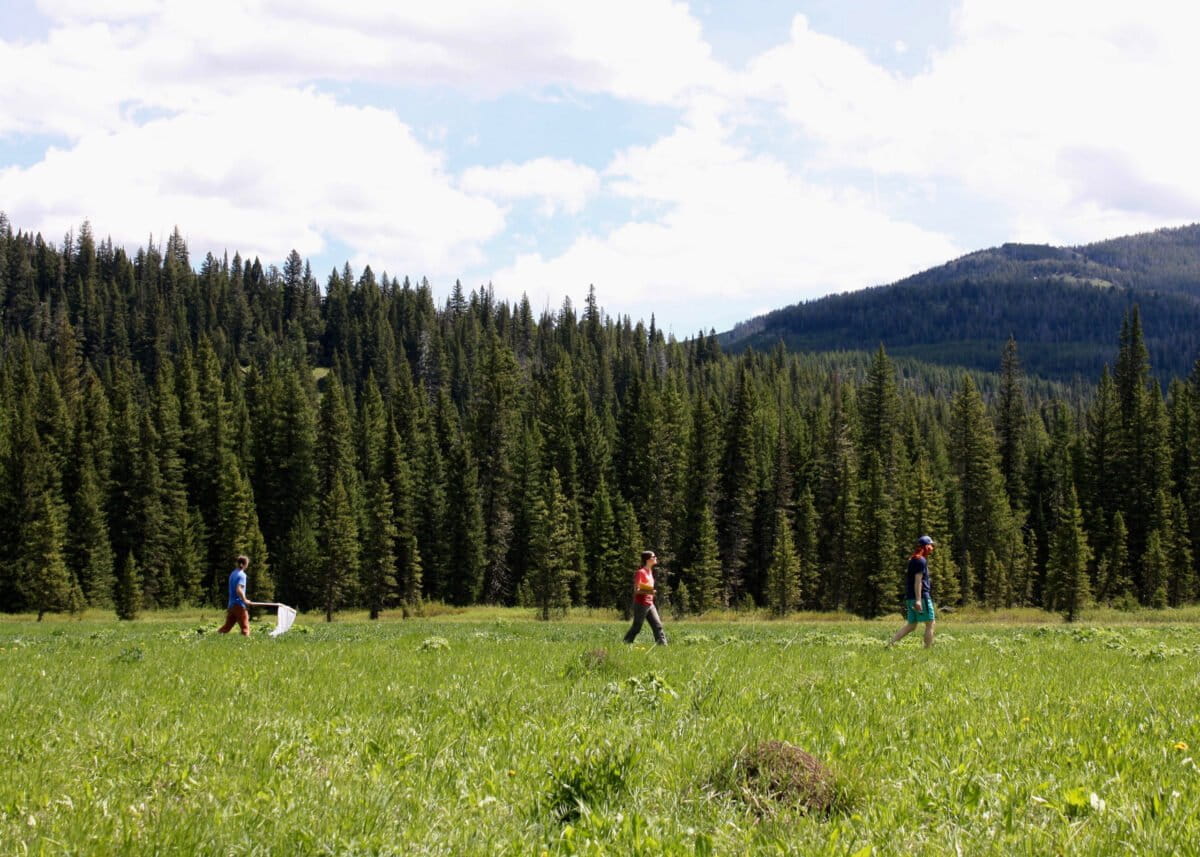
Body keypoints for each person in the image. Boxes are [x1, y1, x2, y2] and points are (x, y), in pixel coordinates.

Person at [889, 536, 936, 647]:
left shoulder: (913, 559)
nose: (932, 548)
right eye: (930, 545)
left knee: (912, 625)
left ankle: (890, 644)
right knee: (930, 623)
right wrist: (919, 600)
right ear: (926, 547)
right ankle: (927, 650)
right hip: (921, 597)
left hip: (910, 597)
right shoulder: (921, 561)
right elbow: (918, 581)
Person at [623, 550, 667, 645]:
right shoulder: (640, 572)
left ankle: (663, 646)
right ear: (648, 559)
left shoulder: (650, 571)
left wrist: (650, 593)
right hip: (641, 604)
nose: (656, 558)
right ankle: (626, 642)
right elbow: (636, 590)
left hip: (650, 603)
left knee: (658, 625)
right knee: (637, 627)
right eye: (653, 556)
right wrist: (650, 591)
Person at [217, 555, 258, 636]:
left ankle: (215, 637)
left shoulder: (233, 573)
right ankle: (248, 645)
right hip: (239, 605)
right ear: (244, 564)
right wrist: (245, 600)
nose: (247, 565)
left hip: (231, 605)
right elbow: (239, 589)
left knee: (227, 627)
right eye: (247, 563)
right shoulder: (242, 575)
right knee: (245, 628)